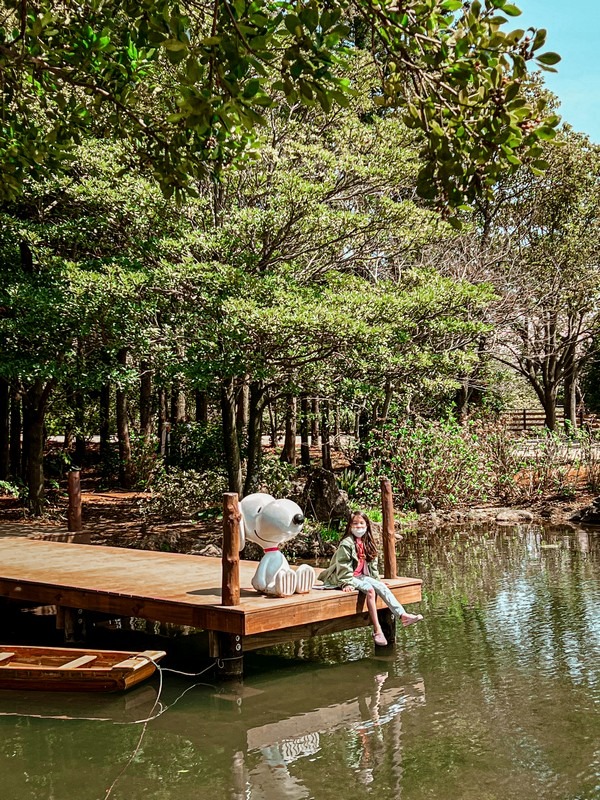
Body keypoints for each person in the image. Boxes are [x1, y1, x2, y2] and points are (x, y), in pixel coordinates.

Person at [318, 511, 423, 646]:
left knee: (381, 587)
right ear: (350, 526)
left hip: (362, 576)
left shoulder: (368, 542)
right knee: (370, 590)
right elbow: (343, 568)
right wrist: (345, 584)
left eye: (361, 523)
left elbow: (372, 566)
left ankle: (403, 615)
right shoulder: (346, 543)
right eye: (355, 523)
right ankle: (377, 630)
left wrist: (376, 580)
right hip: (346, 577)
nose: (359, 526)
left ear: (367, 525)